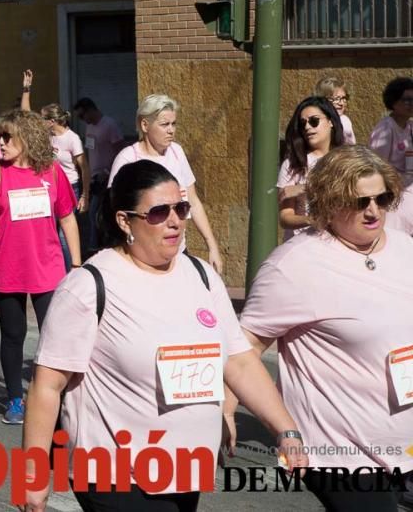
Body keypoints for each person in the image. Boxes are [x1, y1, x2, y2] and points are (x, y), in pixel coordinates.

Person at [22, 160, 306, 512]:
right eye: (159, 212)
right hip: (114, 474)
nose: (175, 220)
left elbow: (239, 361)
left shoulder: (202, 276)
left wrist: (285, 429)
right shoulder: (88, 286)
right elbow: (46, 387)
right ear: (125, 220)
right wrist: (33, 475)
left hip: (186, 468)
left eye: (181, 208)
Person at [233, 145, 412, 510]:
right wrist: (233, 413)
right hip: (340, 452)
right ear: (329, 201)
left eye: (382, 197)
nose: (374, 210)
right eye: (360, 201)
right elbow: (243, 349)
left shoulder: (404, 248)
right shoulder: (294, 266)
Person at [0, 109, 79, 424]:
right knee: (12, 335)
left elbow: (67, 216)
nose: (0, 142)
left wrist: (77, 264)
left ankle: (58, 396)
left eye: (7, 136)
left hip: (48, 268)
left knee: (54, 336)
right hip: (7, 267)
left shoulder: (52, 172)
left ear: (27, 138)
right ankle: (14, 399)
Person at [108, 94, 224, 274]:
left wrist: (212, 245)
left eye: (174, 124)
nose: (171, 130)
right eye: (164, 124)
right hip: (142, 259)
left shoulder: (177, 152)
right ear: (145, 125)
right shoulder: (127, 159)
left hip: (177, 252)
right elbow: (113, 213)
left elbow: (192, 200)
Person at [277, 96, 342, 241]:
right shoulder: (293, 163)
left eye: (314, 121)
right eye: (302, 123)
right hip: (303, 243)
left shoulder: (345, 159)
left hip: (339, 241)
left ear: (330, 121)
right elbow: (285, 218)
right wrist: (313, 220)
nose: (307, 127)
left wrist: (306, 187)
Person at [41, 103, 90, 270]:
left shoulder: (72, 138)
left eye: (43, 118)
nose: (41, 121)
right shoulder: (49, 136)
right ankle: (57, 268)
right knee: (50, 232)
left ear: (52, 121)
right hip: (51, 188)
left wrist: (85, 195)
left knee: (64, 235)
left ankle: (71, 272)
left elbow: (84, 168)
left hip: (71, 187)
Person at [73, 97, 125, 255]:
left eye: (83, 116)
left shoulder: (109, 125)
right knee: (96, 211)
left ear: (91, 110)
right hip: (95, 176)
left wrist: (108, 172)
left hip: (106, 176)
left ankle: (94, 245)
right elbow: (90, 150)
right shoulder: (89, 127)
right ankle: (99, 244)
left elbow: (120, 151)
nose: (83, 120)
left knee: (95, 210)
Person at [369, 76, 413, 187]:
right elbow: (377, 166)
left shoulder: (410, 126)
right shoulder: (385, 129)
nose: (412, 104)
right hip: (393, 190)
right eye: (407, 100)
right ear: (393, 102)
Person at [314, 76, 356, 144]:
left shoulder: (344, 121)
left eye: (344, 98)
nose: (341, 103)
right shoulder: (312, 121)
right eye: (336, 99)